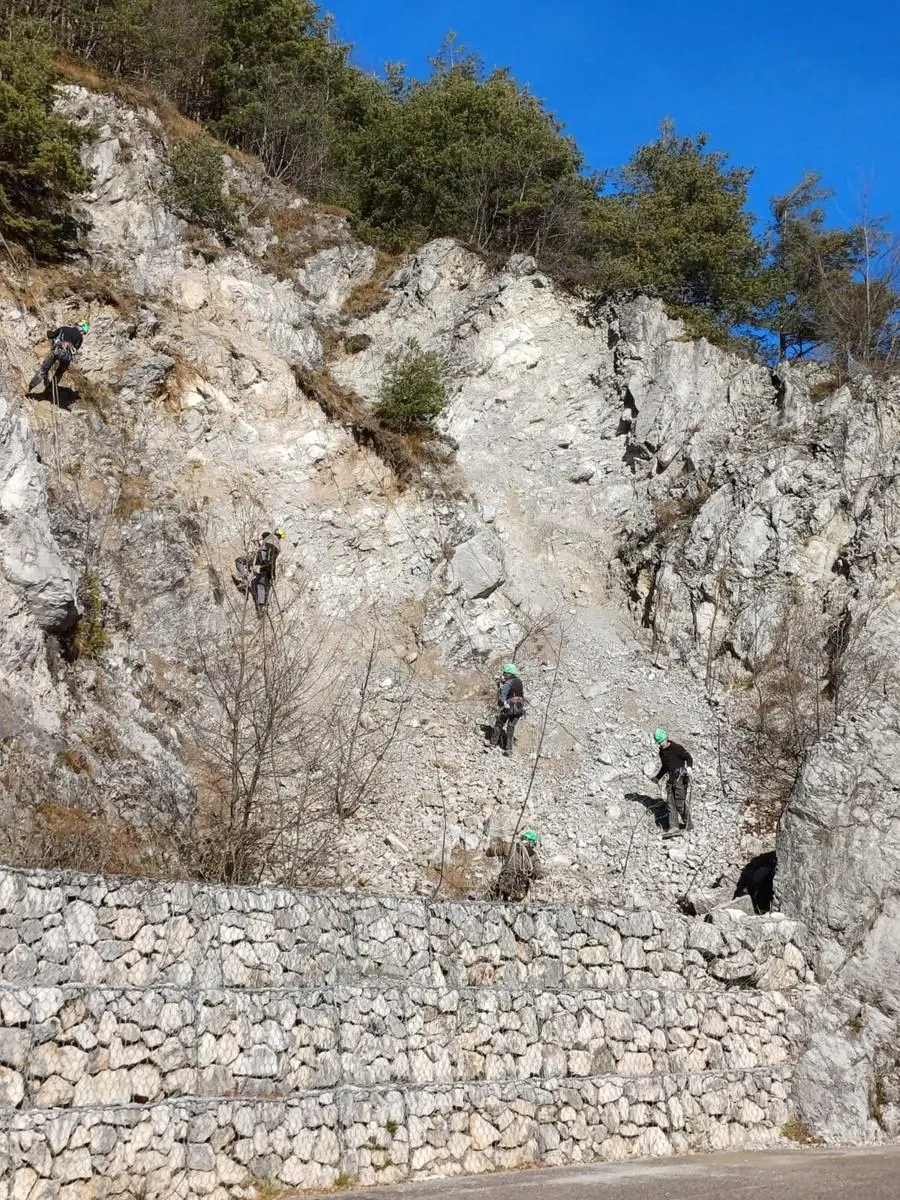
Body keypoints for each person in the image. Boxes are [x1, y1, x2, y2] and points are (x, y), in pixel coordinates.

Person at [652, 728, 694, 838]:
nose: (661, 745)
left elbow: (688, 757)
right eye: (659, 743)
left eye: (662, 742)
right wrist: (657, 778)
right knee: (670, 804)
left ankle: (689, 825)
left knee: (680, 804)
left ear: (666, 738)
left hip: (681, 778)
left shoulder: (676, 748)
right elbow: (665, 767)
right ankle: (674, 827)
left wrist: (689, 768)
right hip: (671, 779)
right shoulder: (662, 752)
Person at [28, 321, 89, 392]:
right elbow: (75, 349)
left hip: (56, 351)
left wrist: (48, 331)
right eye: (83, 332)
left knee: (43, 370)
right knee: (60, 372)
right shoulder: (80, 338)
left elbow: (50, 336)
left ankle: (30, 387)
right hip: (66, 357)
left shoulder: (64, 329)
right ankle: (50, 389)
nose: (82, 334)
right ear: (81, 329)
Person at [495, 829, 542, 901]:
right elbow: (539, 874)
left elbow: (495, 851)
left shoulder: (510, 846)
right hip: (519, 890)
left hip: (503, 884)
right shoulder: (533, 855)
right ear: (531, 842)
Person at [489, 664, 525, 757]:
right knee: (510, 727)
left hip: (509, 707)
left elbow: (502, 698)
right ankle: (509, 749)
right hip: (519, 708)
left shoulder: (507, 684)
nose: (503, 675)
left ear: (508, 674)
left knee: (499, 723)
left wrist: (501, 687)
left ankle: (493, 743)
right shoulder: (519, 681)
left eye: (504, 673)